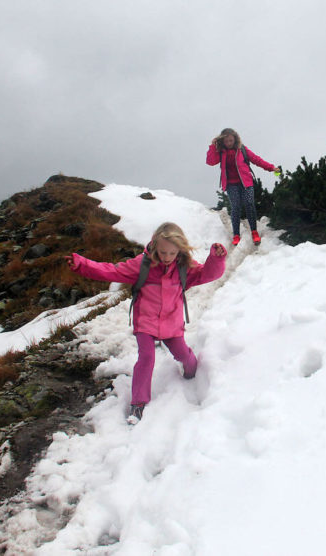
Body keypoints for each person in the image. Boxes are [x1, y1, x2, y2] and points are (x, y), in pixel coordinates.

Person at [65, 222, 227, 424]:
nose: (166, 257)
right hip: (146, 322)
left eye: (171, 253)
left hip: (171, 324)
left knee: (185, 356)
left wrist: (216, 258)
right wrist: (81, 264)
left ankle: (191, 377)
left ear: (180, 251)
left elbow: (208, 274)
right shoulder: (142, 265)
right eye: (162, 252)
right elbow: (111, 271)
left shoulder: (184, 267)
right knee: (147, 357)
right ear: (154, 246)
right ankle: (138, 404)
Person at [206, 128, 280, 246]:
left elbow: (257, 160)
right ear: (222, 141)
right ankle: (236, 234)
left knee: (249, 203)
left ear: (235, 139)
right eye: (226, 141)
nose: (229, 143)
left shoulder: (242, 150)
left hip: (246, 182)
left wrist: (271, 168)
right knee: (236, 207)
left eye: (231, 140)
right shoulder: (220, 152)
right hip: (231, 184)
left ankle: (254, 231)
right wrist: (212, 146)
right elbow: (210, 161)